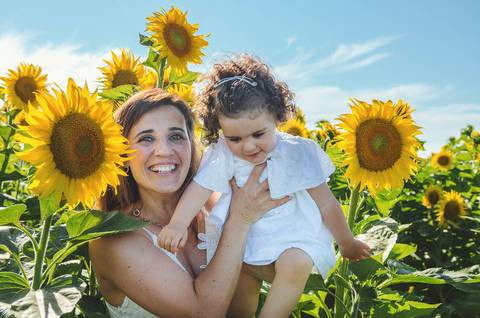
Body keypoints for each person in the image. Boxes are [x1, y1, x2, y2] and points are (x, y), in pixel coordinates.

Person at [157, 54, 371, 317]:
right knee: (241, 291)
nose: (248, 146)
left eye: (259, 134)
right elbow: (199, 189)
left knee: (297, 263)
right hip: (243, 238)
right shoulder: (224, 153)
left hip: (293, 234)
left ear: (277, 117)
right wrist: (178, 223)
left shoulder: (296, 152)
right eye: (235, 138)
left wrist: (346, 242)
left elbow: (326, 202)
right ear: (219, 130)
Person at [89, 89, 290, 317]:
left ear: (191, 145)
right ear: (122, 155)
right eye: (146, 138)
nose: (164, 151)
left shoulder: (215, 206)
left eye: (176, 136)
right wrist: (240, 221)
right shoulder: (113, 239)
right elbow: (202, 313)